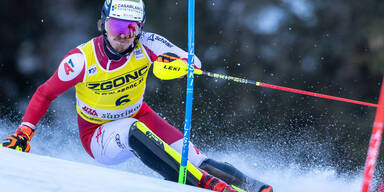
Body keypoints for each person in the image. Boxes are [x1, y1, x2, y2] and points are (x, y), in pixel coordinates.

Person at [0, 0, 272, 192]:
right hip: (97, 134)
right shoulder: (81, 59)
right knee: (132, 129)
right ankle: (200, 186)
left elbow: (193, 63)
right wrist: (24, 133)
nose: (122, 37)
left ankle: (255, 187)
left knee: (195, 159)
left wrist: (179, 66)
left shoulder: (148, 44)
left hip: (140, 115)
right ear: (103, 25)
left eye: (130, 30)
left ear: (139, 29)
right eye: (116, 28)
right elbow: (44, 92)